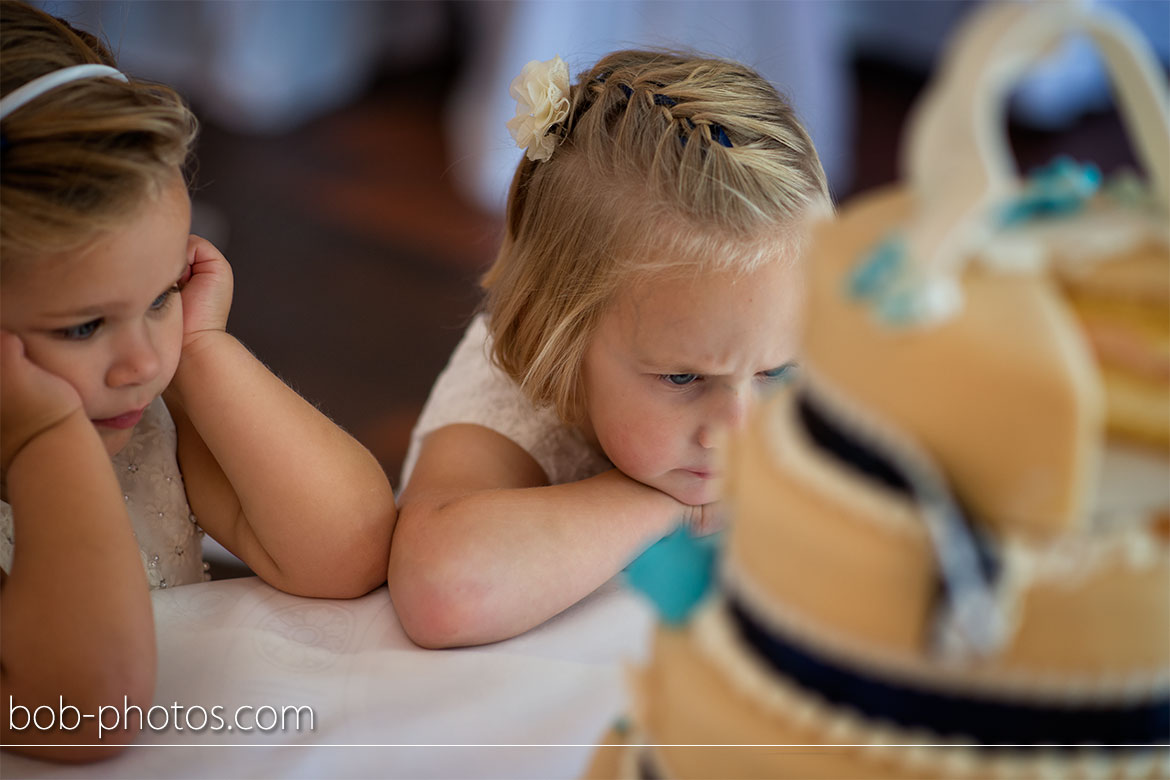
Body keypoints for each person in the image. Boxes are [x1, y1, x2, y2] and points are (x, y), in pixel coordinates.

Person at [0, 1, 396, 759]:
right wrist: (45, 439)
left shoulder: (139, 420)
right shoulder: (78, 426)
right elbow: (83, 716)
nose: (145, 363)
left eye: (161, 298)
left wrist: (207, 348)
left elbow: (346, 552)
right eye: (83, 327)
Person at [390, 50, 830, 648]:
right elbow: (443, 591)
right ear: (559, 340)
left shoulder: (771, 339)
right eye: (682, 379)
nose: (737, 428)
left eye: (776, 370)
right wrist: (665, 507)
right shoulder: (511, 397)